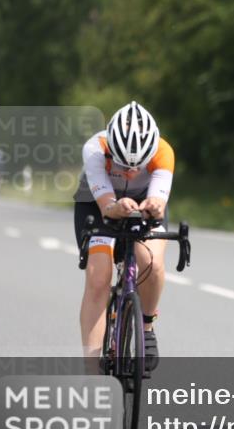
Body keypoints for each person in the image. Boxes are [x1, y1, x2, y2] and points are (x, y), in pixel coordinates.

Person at [72, 101, 174, 371]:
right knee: (98, 277)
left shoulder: (164, 152)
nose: (130, 172)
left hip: (143, 203)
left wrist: (152, 205)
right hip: (96, 204)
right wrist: (114, 207)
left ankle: (147, 326)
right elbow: (106, 203)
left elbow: (159, 200)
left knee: (151, 262)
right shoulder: (95, 149)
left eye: (137, 167)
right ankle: (92, 371)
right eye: (123, 165)